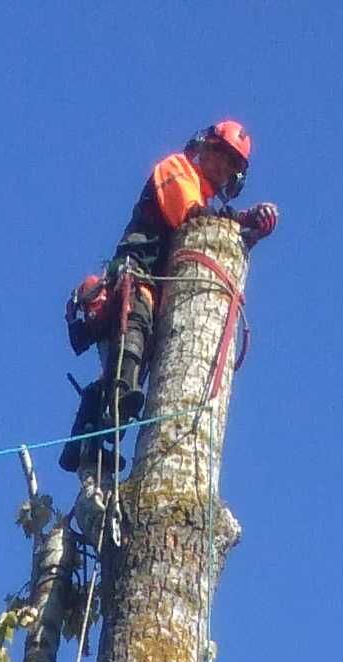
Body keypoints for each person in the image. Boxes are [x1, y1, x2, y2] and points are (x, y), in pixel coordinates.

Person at [61, 120, 278, 482]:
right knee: (133, 340)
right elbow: (189, 218)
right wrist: (241, 218)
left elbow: (209, 236)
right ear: (203, 147)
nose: (222, 167)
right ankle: (107, 422)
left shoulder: (209, 204)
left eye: (231, 164)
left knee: (141, 357)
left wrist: (247, 235)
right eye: (220, 155)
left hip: (159, 296)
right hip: (135, 278)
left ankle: (87, 442)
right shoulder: (176, 169)